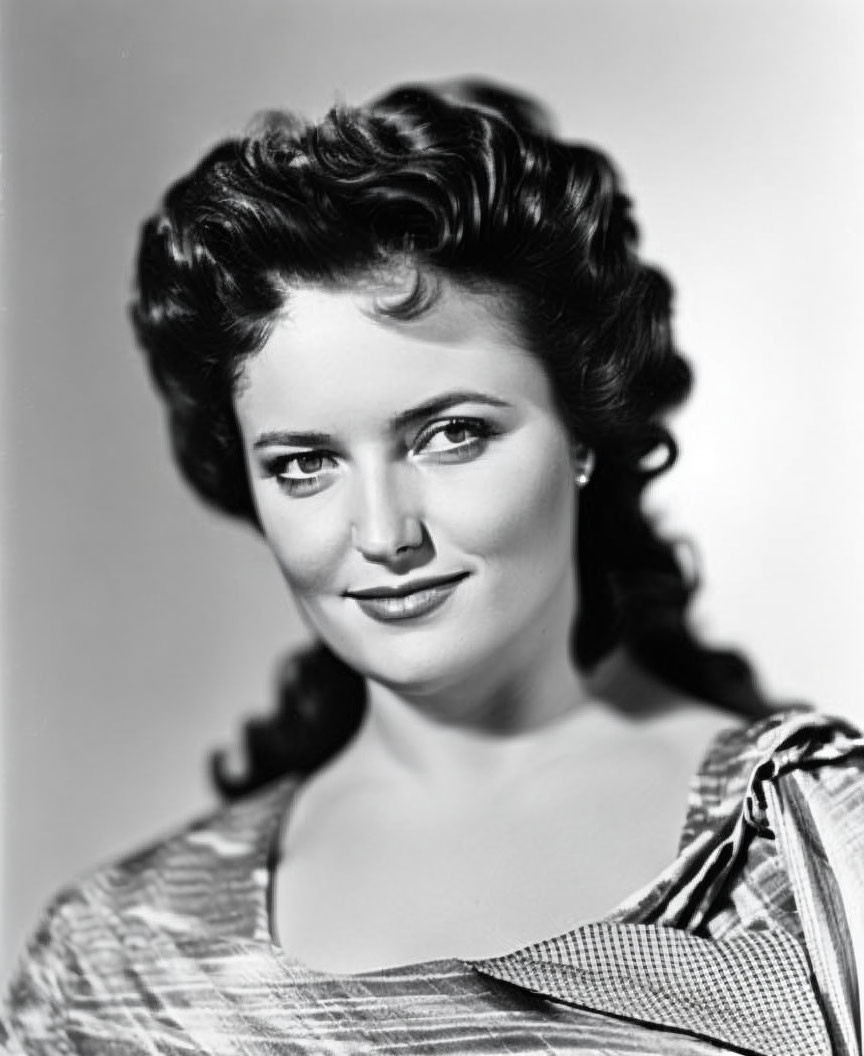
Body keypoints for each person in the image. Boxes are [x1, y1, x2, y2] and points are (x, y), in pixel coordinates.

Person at [3, 79, 862, 1056]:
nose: (381, 532)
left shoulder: (821, 851)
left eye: (450, 435)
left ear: (583, 427)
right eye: (303, 463)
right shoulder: (109, 965)